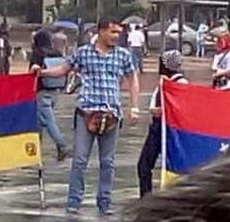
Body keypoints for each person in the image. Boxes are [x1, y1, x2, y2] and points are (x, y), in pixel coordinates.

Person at [34, 18, 139, 216]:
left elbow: (132, 79)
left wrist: (134, 107)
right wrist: (42, 73)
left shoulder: (123, 55)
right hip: (86, 112)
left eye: (118, 33)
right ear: (101, 31)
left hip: (112, 114)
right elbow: (64, 69)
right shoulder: (83, 53)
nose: (117, 36)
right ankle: (74, 201)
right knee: (80, 160)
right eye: (113, 32)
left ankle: (105, 202)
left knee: (107, 161)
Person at [136, 50, 187, 198]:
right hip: (157, 128)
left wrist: (165, 111)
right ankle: (146, 198)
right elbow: (153, 105)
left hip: (172, 131)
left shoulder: (180, 83)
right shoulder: (163, 83)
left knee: (173, 168)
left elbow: (182, 108)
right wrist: (155, 110)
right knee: (144, 165)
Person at [28, 29, 69, 161]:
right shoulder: (57, 53)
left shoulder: (38, 54)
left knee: (48, 121)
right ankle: (36, 147)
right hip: (55, 91)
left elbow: (31, 72)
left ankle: (62, 145)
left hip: (41, 91)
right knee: (38, 120)